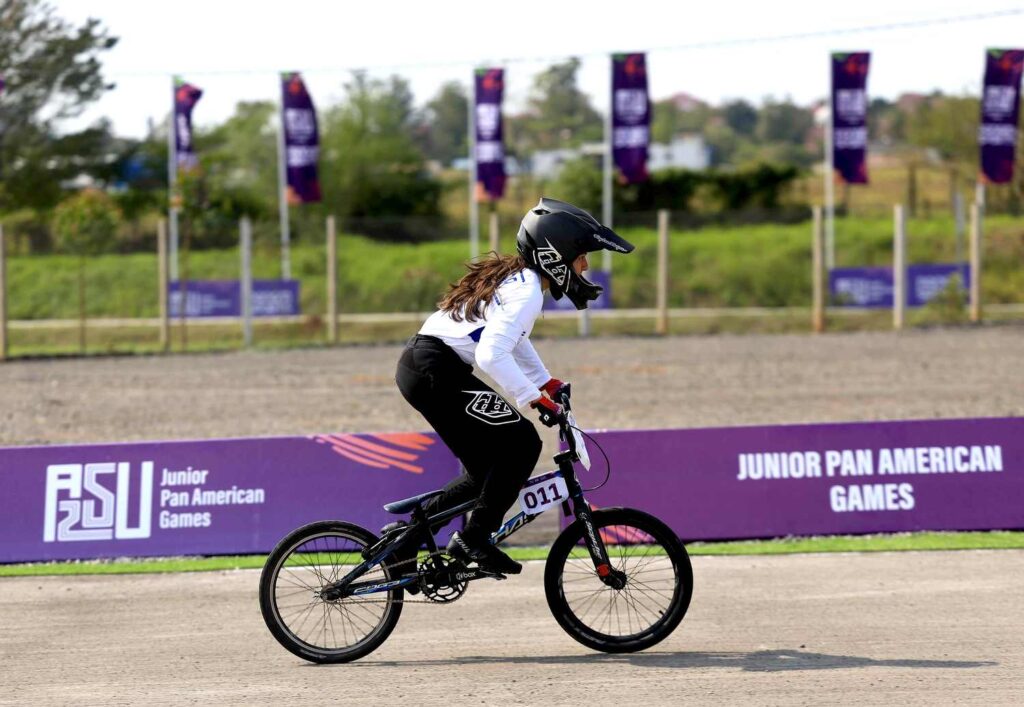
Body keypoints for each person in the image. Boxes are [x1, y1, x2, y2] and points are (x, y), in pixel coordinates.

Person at [394, 197, 635, 575]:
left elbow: (513, 340)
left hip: (426, 367)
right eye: (582, 256)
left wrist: (544, 381)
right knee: (522, 443)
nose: (586, 266)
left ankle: (404, 545)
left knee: (484, 472)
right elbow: (492, 354)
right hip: (434, 370)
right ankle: (474, 540)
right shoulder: (526, 291)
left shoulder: (523, 281)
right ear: (556, 255)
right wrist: (533, 397)